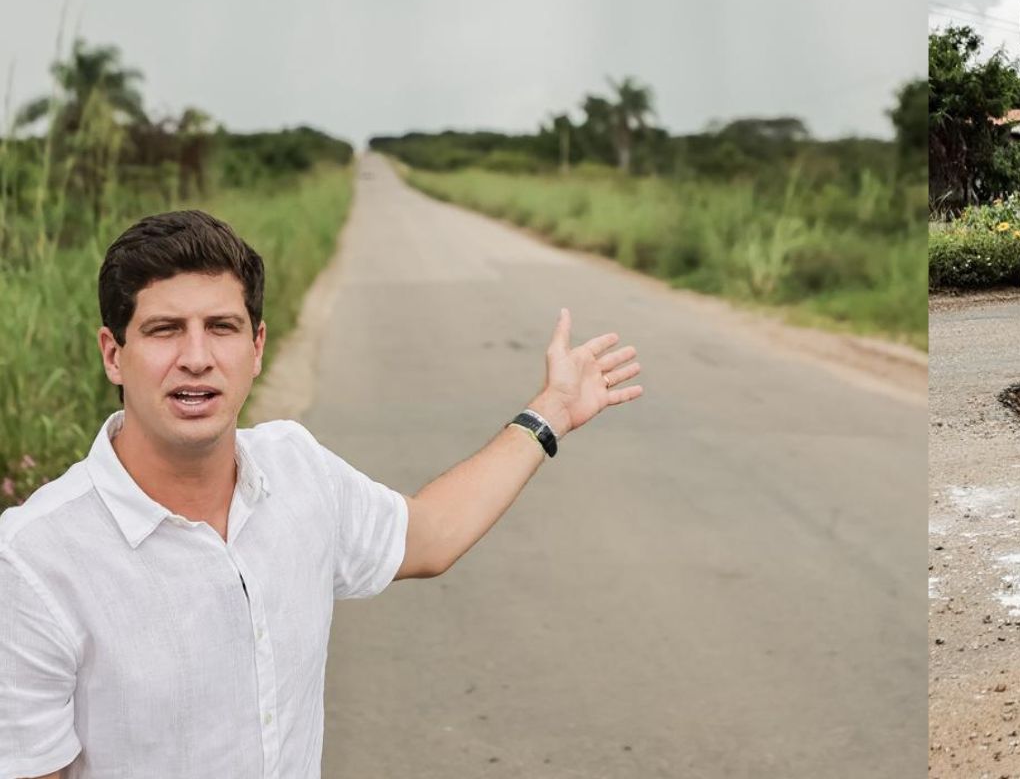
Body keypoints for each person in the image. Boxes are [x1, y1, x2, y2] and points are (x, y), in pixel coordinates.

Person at [0, 209, 644, 778]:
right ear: (113, 355)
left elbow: (431, 535)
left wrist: (551, 412)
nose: (196, 357)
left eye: (221, 327)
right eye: (165, 329)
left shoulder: (297, 471)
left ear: (256, 348)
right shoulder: (34, 562)